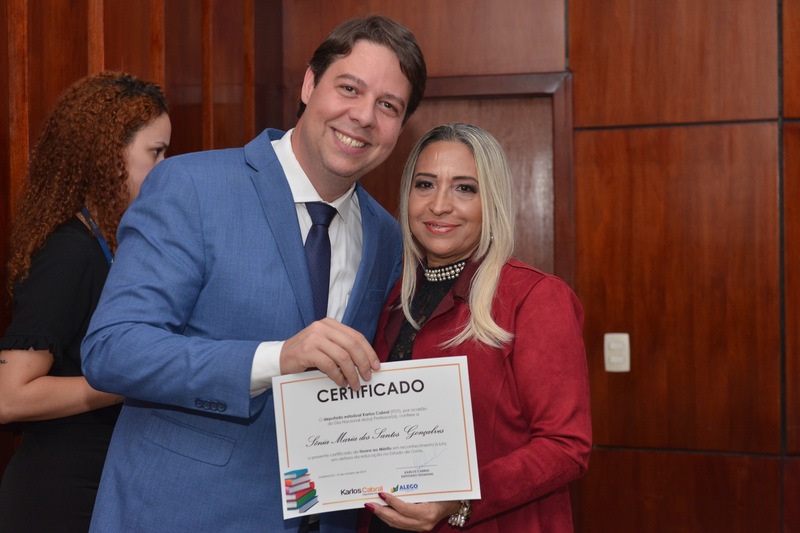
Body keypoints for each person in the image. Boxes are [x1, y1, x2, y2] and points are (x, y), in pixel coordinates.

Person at [80, 15, 426, 533]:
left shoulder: (386, 236)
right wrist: (276, 359)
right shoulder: (192, 186)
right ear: (309, 85)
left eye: (388, 105)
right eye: (349, 88)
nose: (363, 116)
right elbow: (113, 350)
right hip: (181, 515)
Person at [361, 123, 591, 532]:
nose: (439, 205)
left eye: (464, 188)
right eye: (425, 184)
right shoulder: (392, 297)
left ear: (492, 201)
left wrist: (460, 498)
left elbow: (566, 447)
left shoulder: (534, 297)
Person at [0, 71, 171, 532]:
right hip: (60, 497)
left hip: (100, 485)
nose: (166, 168)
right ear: (109, 155)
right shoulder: (69, 251)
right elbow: (9, 396)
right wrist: (136, 379)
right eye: (156, 153)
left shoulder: (110, 240)